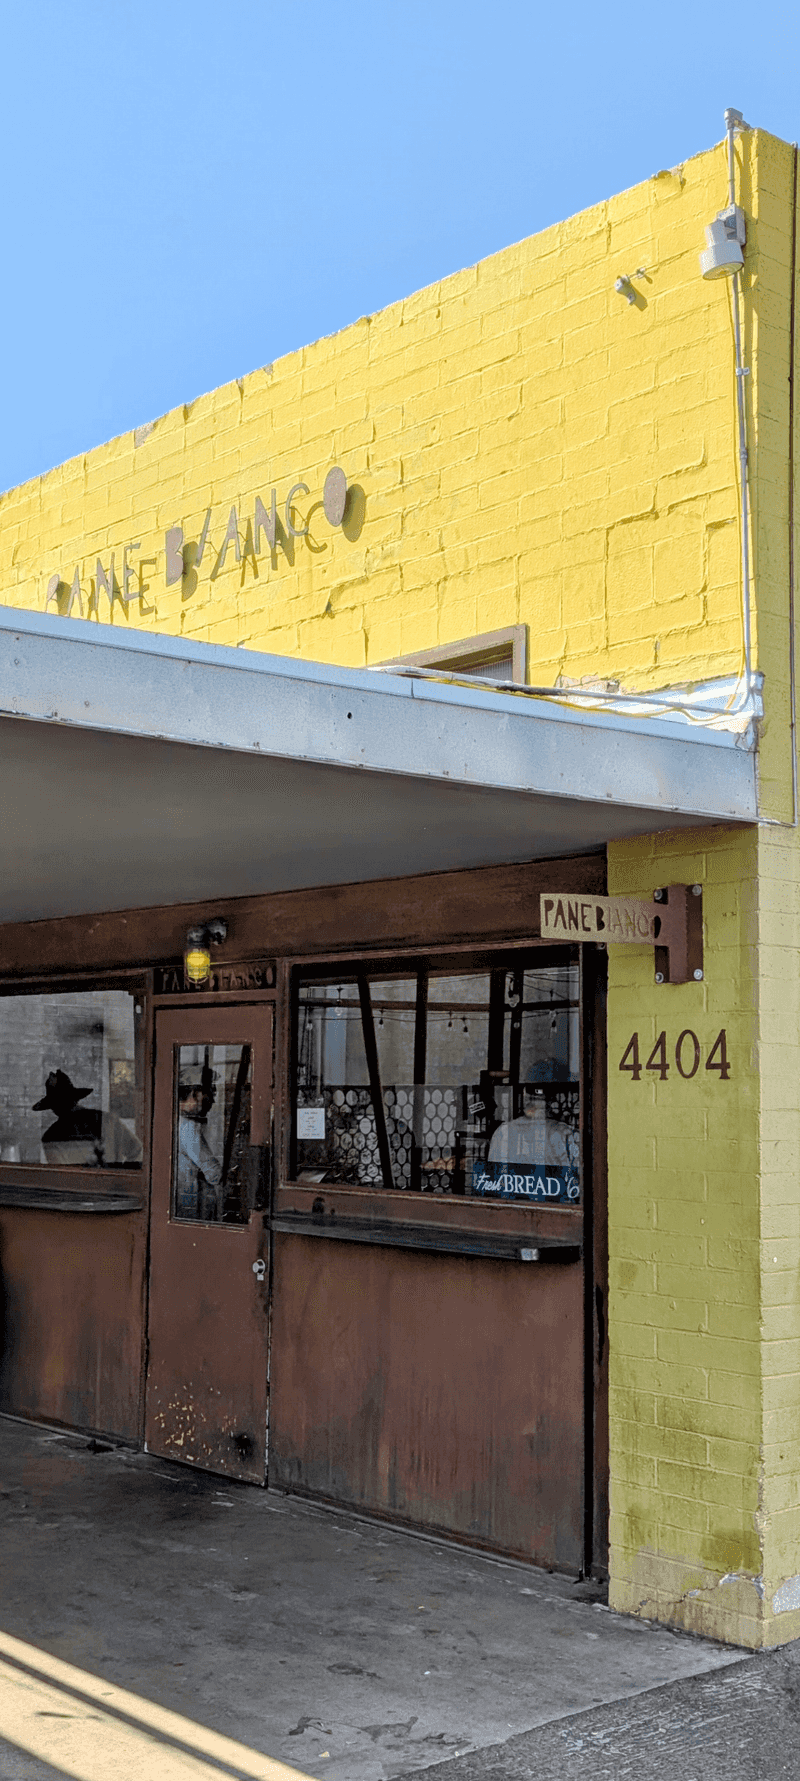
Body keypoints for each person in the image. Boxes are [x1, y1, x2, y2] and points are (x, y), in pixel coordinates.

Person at [33, 1069, 142, 1167]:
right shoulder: (107, 1120)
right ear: (75, 1099)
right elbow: (136, 1149)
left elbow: (62, 1176)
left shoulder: (51, 1136)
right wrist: (122, 1179)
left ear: (53, 1108)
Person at [487, 1059, 577, 1172]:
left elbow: (494, 1180)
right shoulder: (566, 1135)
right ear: (557, 1097)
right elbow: (577, 1182)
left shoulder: (502, 1132)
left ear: (525, 1093)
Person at [175, 1068, 223, 1220]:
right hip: (191, 1207)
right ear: (194, 1094)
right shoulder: (187, 1127)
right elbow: (214, 1174)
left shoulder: (175, 1120)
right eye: (210, 1094)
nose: (212, 1101)